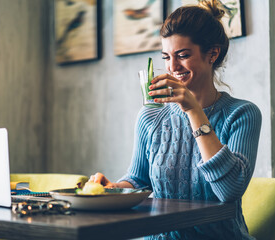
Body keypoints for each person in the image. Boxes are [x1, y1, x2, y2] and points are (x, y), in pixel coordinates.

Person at [90, 0, 262, 239]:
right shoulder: (150, 117)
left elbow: (229, 191)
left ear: (212, 53)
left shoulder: (242, 114)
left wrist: (193, 110)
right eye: (166, 57)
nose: (172, 67)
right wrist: (113, 189)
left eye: (182, 55)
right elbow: (139, 180)